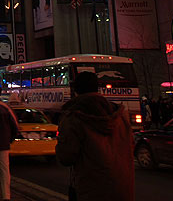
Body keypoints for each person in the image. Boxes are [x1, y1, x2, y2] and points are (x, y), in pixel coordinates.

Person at [55, 71, 134, 201]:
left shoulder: (74, 117)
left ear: (76, 90)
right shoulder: (120, 116)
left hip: (90, 189)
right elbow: (130, 145)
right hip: (123, 187)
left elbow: (65, 157)